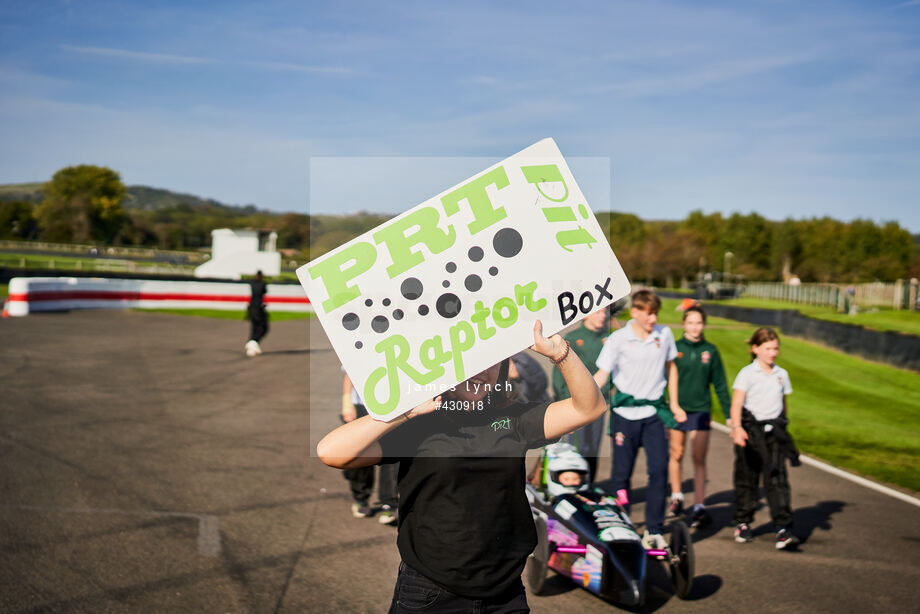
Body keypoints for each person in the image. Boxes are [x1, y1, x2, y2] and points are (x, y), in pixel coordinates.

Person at [317, 320, 606, 613]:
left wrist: (560, 353)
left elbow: (589, 408)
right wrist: (401, 413)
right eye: (470, 362)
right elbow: (331, 452)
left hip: (504, 594)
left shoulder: (516, 419)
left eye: (492, 362)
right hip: (430, 592)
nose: (481, 371)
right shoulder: (418, 423)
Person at [592, 289, 686, 550]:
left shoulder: (664, 335)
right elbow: (602, 375)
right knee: (621, 474)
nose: (653, 318)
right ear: (635, 312)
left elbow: (672, 368)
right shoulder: (618, 339)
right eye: (649, 313)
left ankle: (654, 530)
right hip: (625, 415)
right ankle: (620, 524)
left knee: (658, 471)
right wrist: (584, 400)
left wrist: (675, 404)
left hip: (654, 414)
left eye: (656, 313)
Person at [729, 327, 800, 550]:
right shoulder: (747, 374)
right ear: (755, 349)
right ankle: (743, 522)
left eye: (775, 348)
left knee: (777, 480)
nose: (773, 353)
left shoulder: (781, 374)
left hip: (774, 434)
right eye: (768, 348)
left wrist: (784, 426)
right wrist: (737, 428)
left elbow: (783, 404)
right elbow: (737, 404)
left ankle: (782, 528)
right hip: (751, 432)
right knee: (747, 479)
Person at [669, 305, 731, 528]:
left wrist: (729, 416)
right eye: (691, 322)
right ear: (684, 324)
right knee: (676, 453)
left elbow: (721, 385)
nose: (695, 327)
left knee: (698, 457)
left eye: (699, 323)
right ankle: (677, 496)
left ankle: (699, 505)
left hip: (701, 409)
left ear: (703, 325)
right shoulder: (674, 349)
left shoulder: (711, 351)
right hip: (678, 409)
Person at [551, 306, 615, 483]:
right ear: (586, 315)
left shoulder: (609, 339)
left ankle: (589, 486)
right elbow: (560, 376)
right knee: (574, 448)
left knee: (592, 449)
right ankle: (569, 486)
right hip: (574, 406)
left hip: (598, 405)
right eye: (597, 312)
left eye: (605, 313)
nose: (602, 317)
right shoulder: (572, 338)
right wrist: (567, 401)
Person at [341, 373, 399, 525]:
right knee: (361, 456)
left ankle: (389, 504)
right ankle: (361, 499)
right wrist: (346, 402)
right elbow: (350, 372)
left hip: (394, 403)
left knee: (392, 455)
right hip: (362, 405)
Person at [245, 270, 269, 357]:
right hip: (258, 308)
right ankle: (253, 342)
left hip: (251, 308)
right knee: (263, 328)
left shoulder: (252, 283)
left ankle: (252, 345)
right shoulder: (262, 284)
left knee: (254, 328)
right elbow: (264, 291)